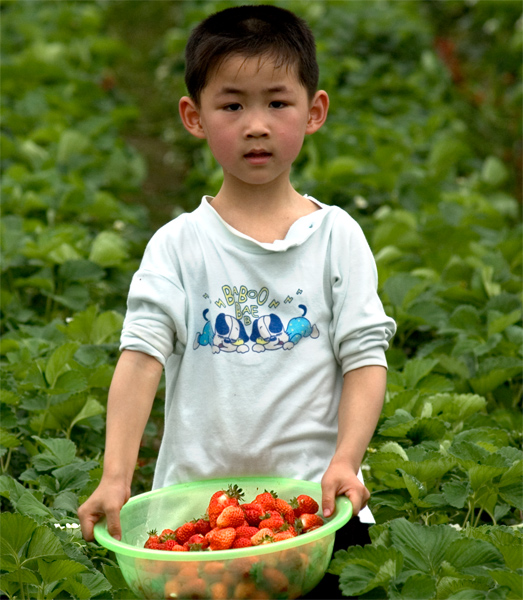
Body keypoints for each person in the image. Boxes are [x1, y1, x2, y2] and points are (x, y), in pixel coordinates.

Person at [79, 4, 396, 598]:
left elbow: (365, 360)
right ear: (193, 117)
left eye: (277, 103)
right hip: (196, 523)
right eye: (232, 105)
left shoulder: (337, 238)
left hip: (316, 513)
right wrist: (115, 477)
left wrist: (346, 463)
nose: (256, 125)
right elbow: (141, 357)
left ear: (314, 111)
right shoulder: (178, 245)